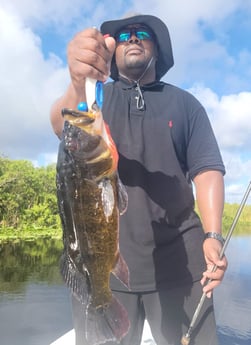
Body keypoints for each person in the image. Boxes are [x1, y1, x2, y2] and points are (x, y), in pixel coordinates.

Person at [50, 14, 228, 345]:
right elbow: (64, 126)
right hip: (102, 267)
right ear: (111, 55)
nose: (133, 38)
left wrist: (213, 235)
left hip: (183, 269)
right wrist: (78, 81)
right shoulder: (95, 100)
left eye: (142, 33)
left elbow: (207, 169)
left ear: (157, 50)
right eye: (123, 35)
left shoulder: (186, 104)